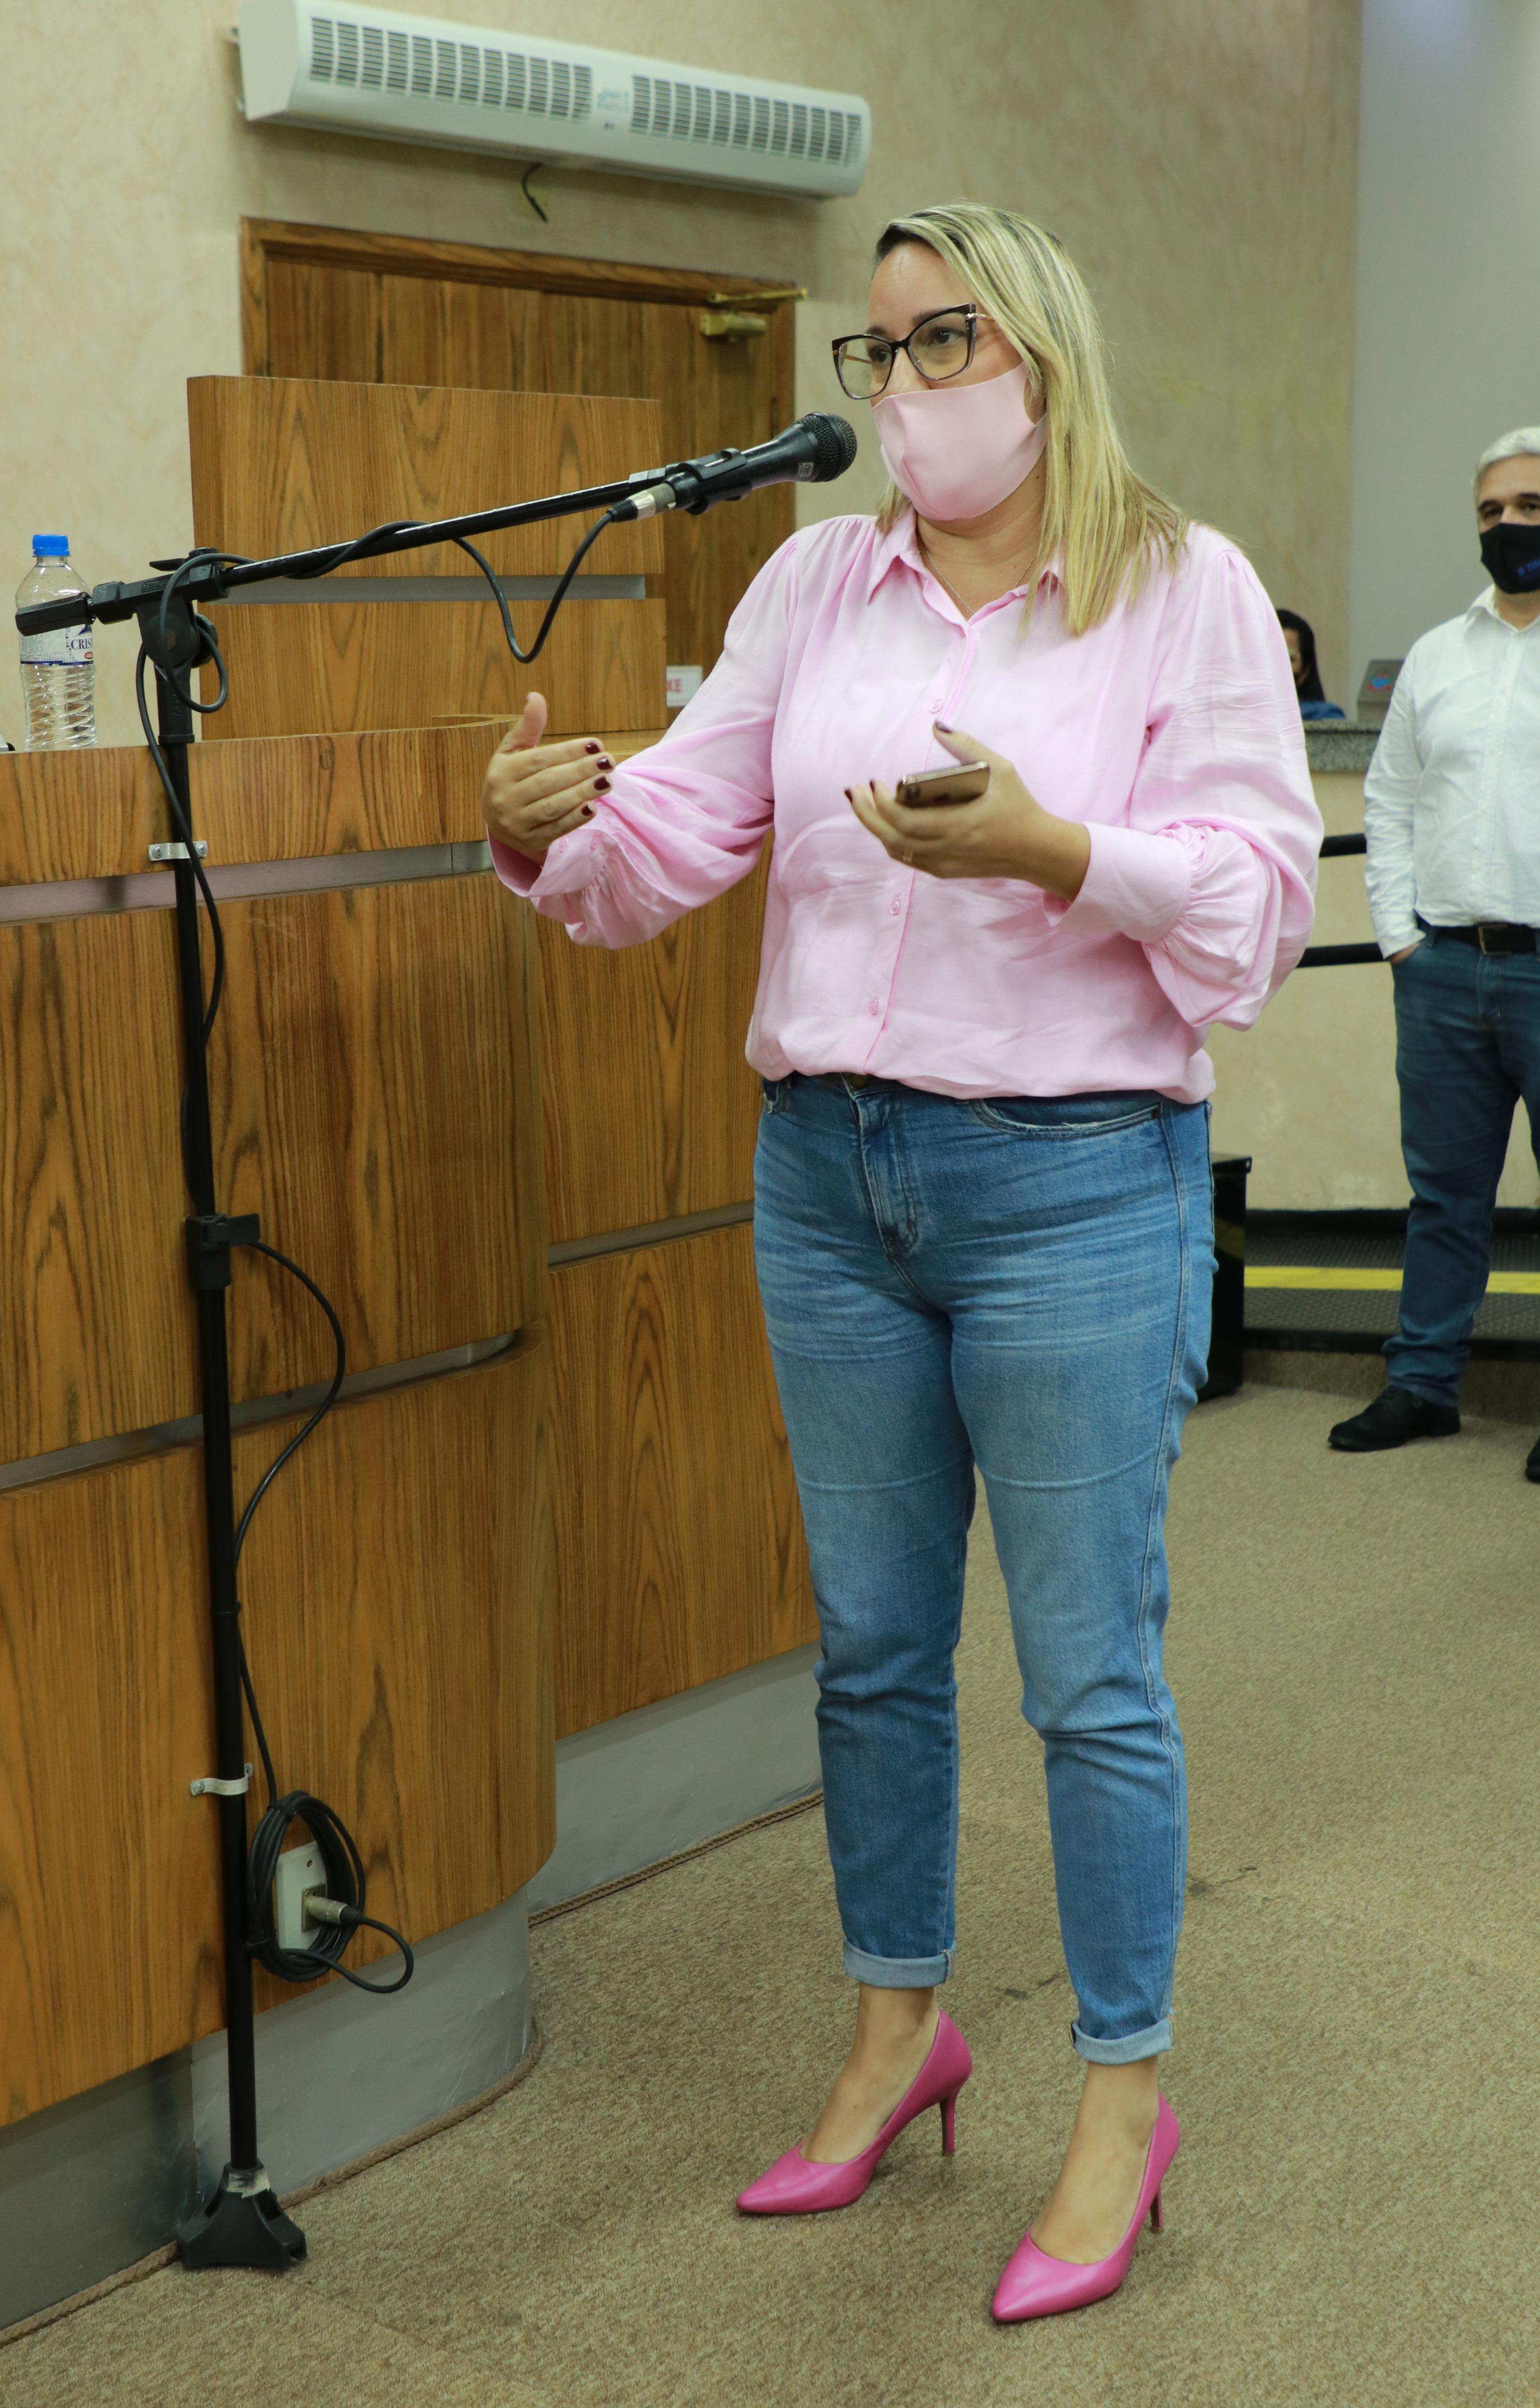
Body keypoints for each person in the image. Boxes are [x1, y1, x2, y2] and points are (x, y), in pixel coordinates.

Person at [483, 203, 1320, 2322]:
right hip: (828, 1182)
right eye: (876, 352)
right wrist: (539, 828)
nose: (902, 386)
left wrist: (1054, 847)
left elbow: (1257, 906)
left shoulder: (1182, 586)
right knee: (867, 1649)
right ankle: (895, 2032)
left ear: (1040, 349)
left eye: (944, 339)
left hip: (1071, 1183)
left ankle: (1121, 2099)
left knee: (1088, 1672)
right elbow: (670, 840)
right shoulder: (810, 582)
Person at [1329, 429, 1540, 1471]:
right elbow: (1390, 801)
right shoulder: (1436, 655)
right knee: (1445, 1195)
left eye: (1530, 507)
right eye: (1491, 511)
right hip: (1444, 969)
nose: (1508, 526)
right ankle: (1422, 1384)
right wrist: (1398, 938)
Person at [1276, 608, 1345, 720]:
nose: (1276, 666)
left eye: (1288, 659)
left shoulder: (1323, 716)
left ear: (1305, 671)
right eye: (1269, 656)